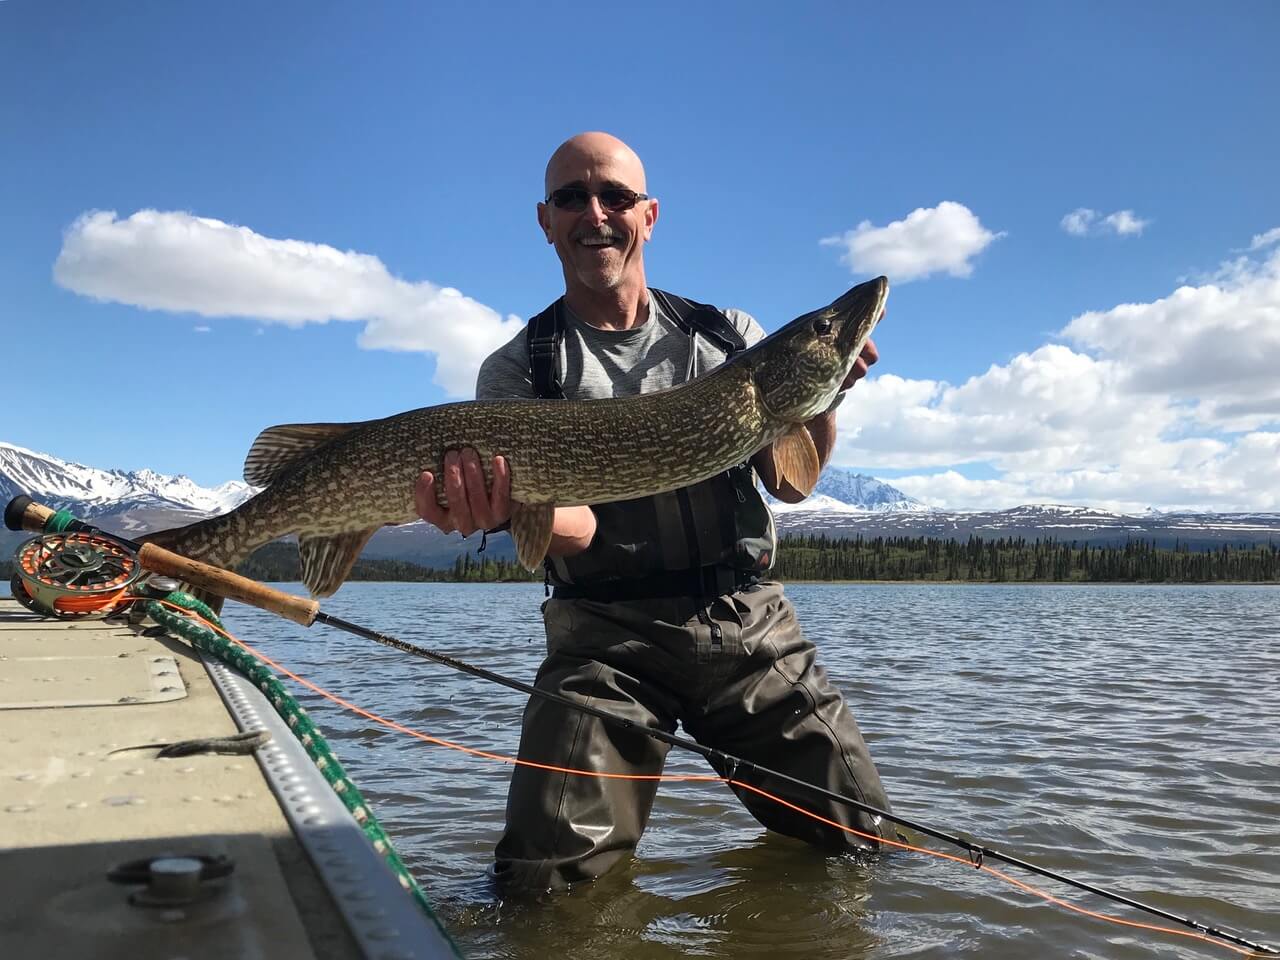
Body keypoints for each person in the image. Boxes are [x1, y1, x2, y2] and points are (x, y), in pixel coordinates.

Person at [413, 132, 891, 892]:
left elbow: (791, 484)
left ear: (650, 214)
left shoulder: (725, 335)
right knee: (545, 888)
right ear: (546, 220)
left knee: (861, 842)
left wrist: (826, 391)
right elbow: (578, 529)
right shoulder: (521, 367)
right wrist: (500, 511)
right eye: (573, 198)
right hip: (604, 638)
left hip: (746, 622)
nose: (595, 213)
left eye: (615, 197)